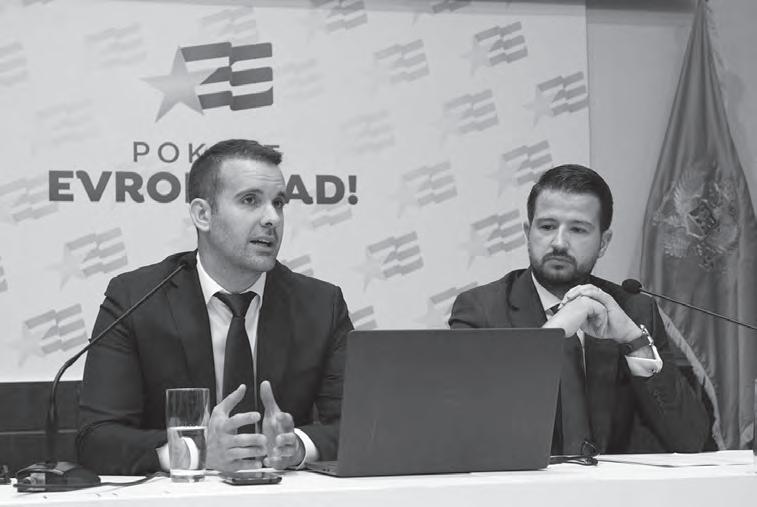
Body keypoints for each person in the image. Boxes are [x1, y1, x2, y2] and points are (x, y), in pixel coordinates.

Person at [77, 139, 353, 475]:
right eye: (250, 200)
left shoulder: (321, 305)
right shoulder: (136, 300)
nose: (272, 219)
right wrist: (196, 451)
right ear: (203, 214)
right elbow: (96, 439)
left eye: (278, 203)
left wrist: (295, 446)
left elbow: (360, 425)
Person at [449, 164, 709, 454]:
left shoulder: (633, 310)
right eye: (547, 227)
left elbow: (691, 440)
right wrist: (551, 335)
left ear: (603, 243)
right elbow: (468, 425)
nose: (559, 243)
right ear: (527, 232)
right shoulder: (481, 310)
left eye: (578, 229)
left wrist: (634, 342)